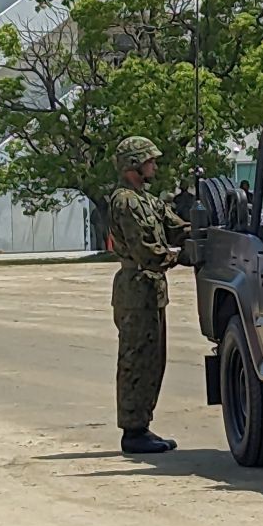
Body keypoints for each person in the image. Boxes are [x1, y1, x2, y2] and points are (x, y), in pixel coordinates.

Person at [106, 136, 189, 456]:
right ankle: (133, 430)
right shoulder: (126, 202)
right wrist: (179, 257)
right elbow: (147, 252)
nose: (154, 165)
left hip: (149, 289)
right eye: (149, 161)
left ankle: (142, 424)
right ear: (133, 166)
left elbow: (175, 227)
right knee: (136, 360)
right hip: (136, 288)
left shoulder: (146, 199)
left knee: (153, 360)